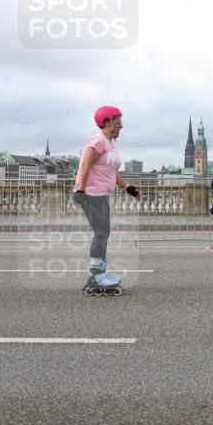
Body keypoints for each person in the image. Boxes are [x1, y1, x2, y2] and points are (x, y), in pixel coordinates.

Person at [73, 105, 141, 296]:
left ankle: (99, 271)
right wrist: (80, 190)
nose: (121, 126)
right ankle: (96, 275)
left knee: (103, 232)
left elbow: (111, 172)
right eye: (118, 122)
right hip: (91, 193)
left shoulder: (110, 144)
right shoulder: (98, 141)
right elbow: (86, 164)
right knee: (101, 232)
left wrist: (128, 188)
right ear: (108, 123)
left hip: (101, 193)